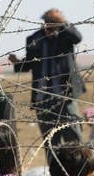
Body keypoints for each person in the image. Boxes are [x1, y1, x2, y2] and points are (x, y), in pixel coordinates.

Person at [9, 8, 84, 150]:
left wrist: (63, 23)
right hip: (43, 99)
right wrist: (17, 63)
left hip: (65, 97)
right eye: (48, 21)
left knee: (74, 140)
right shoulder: (35, 39)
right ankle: (56, 170)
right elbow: (29, 64)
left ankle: (78, 170)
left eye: (54, 22)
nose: (50, 25)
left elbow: (78, 37)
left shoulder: (65, 36)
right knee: (51, 144)